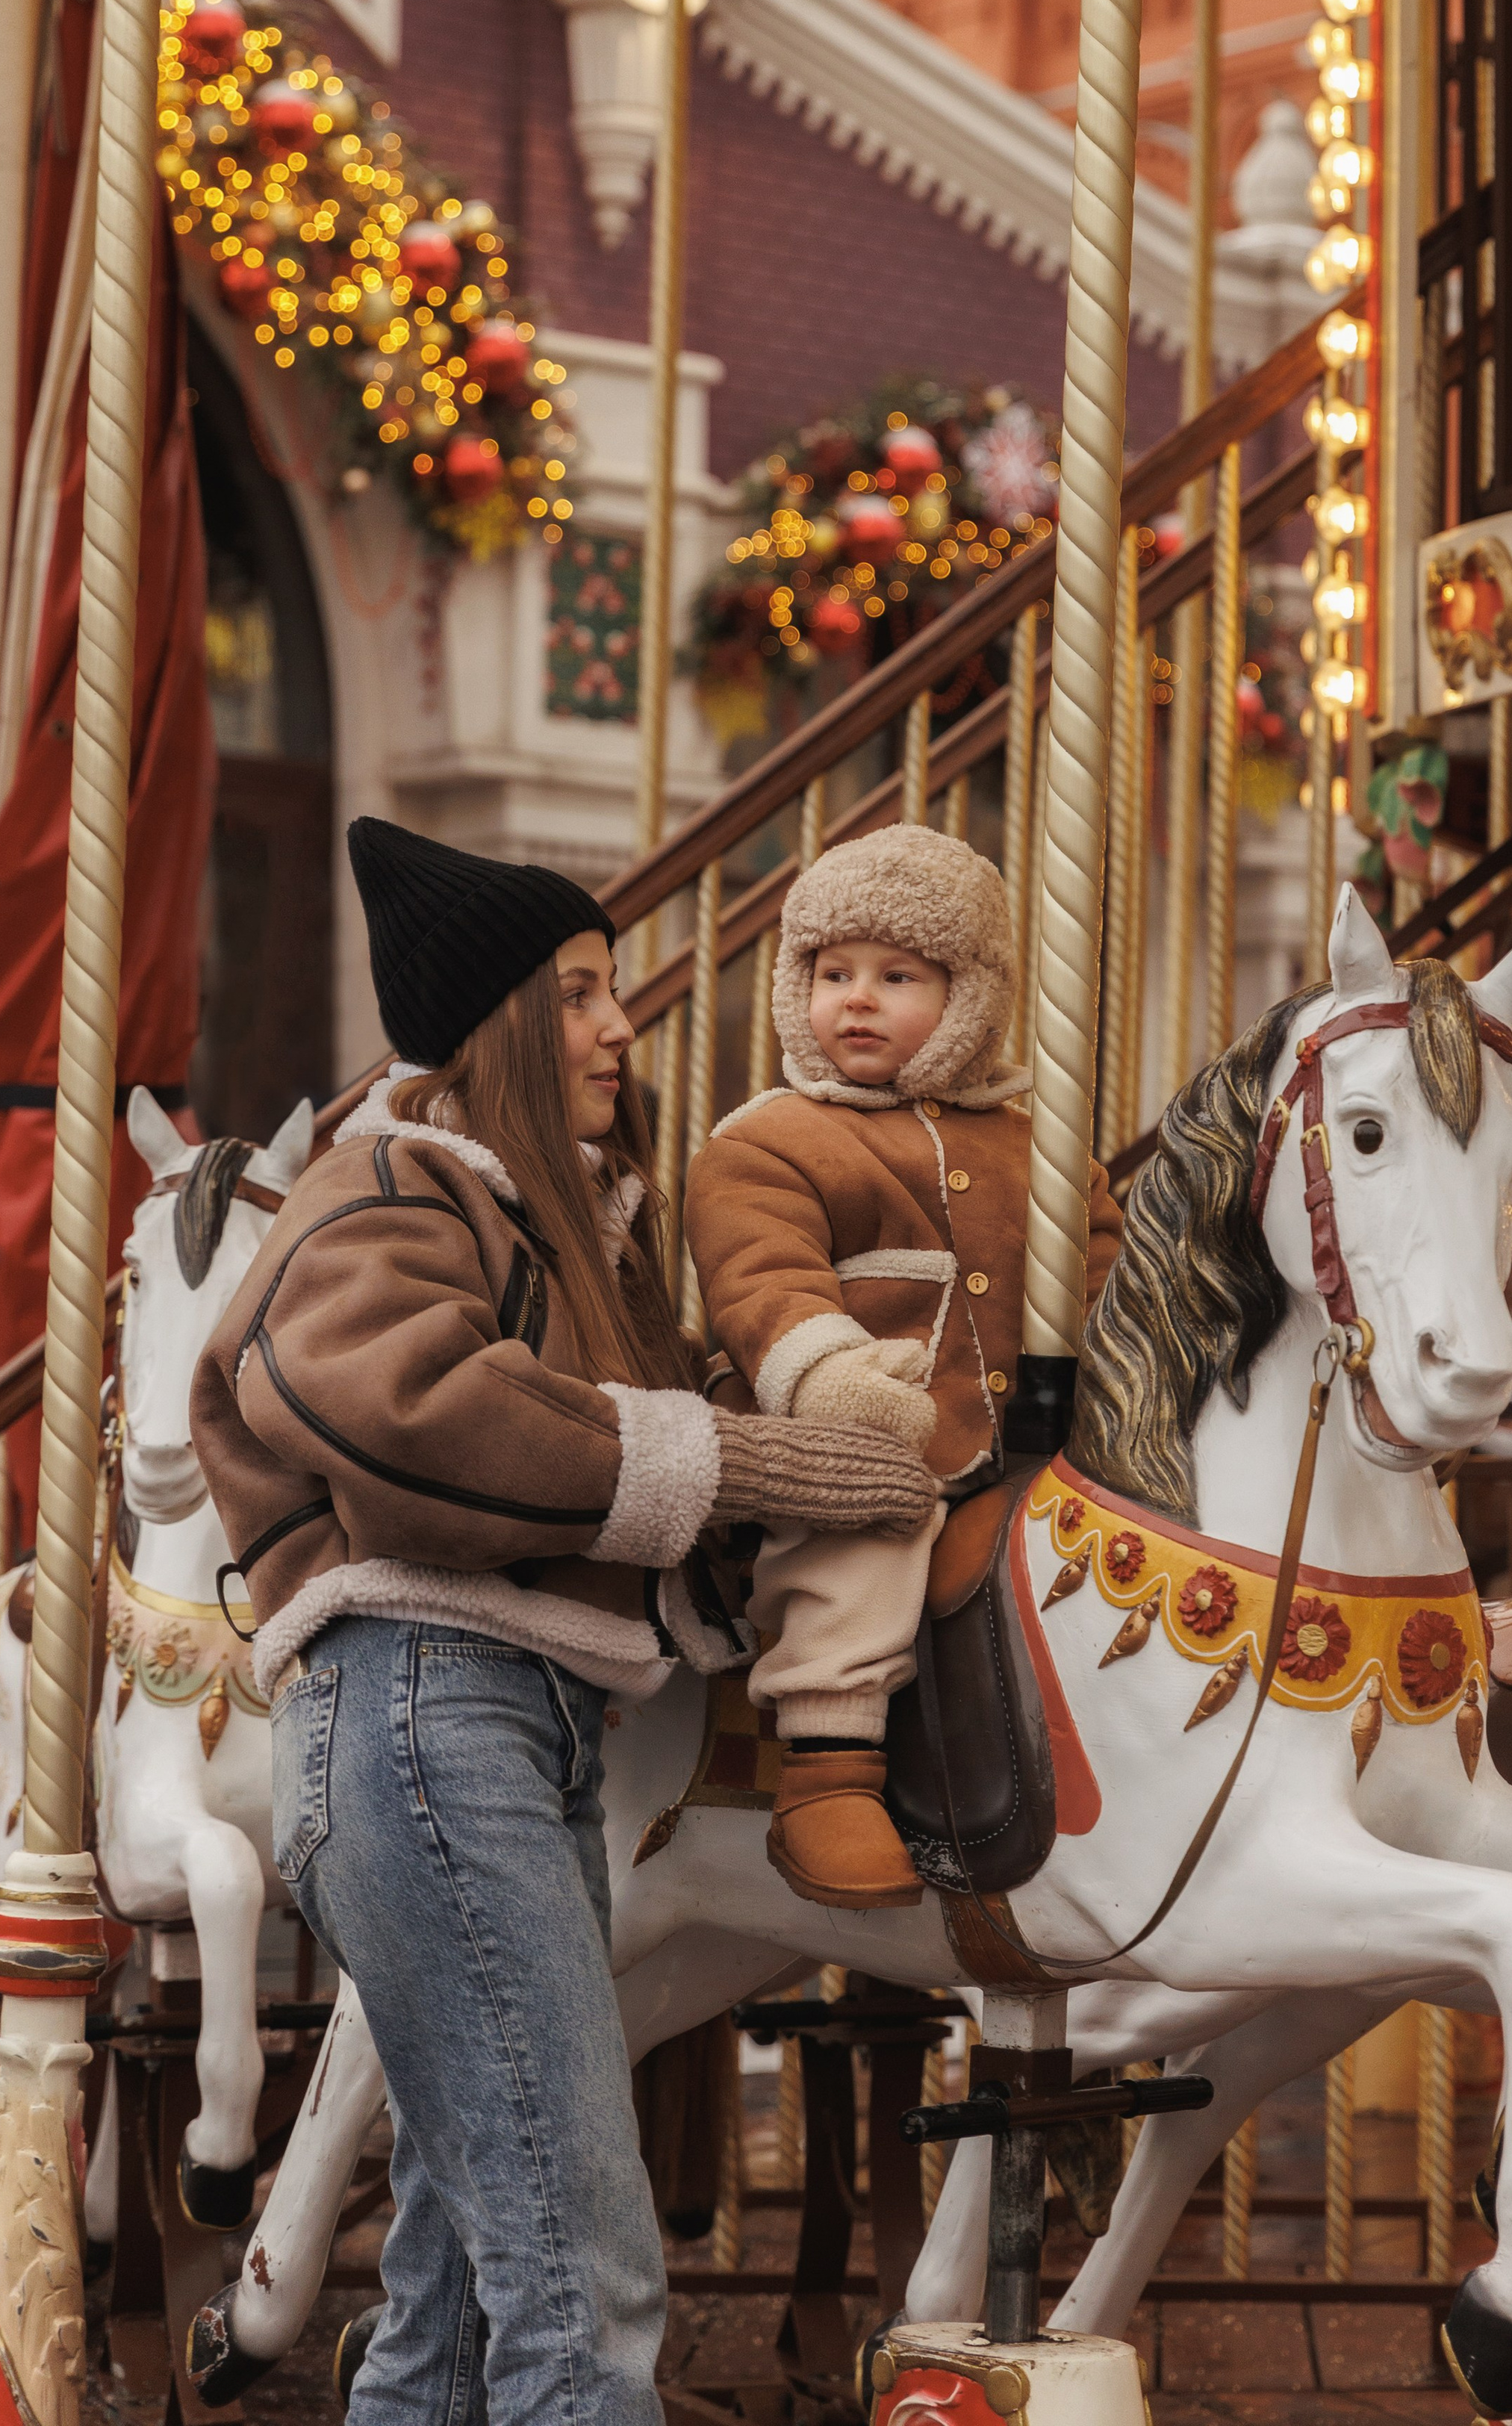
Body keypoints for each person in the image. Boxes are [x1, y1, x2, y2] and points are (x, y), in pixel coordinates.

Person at [190, 817, 933, 2426]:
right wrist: (736, 1454)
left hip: (503, 1729)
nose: (620, 1026)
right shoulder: (382, 1186)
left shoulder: (554, 1229)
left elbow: (631, 1461)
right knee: (582, 2271)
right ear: (501, 1024)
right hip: (417, 1705)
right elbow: (406, 1408)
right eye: (584, 993)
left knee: (460, 2293)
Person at [685, 821, 1120, 1912]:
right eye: (832, 974)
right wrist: (825, 1376)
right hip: (834, 1428)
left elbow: (1111, 1266)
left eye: (898, 975)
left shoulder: (1039, 1146)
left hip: (1023, 1440)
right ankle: (828, 1769)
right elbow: (759, 1276)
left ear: (971, 999)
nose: (858, 999)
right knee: (871, 1518)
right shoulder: (770, 1140)